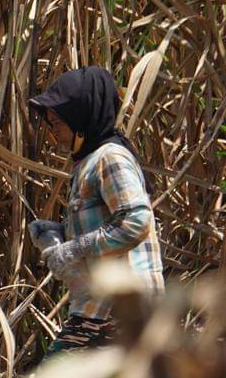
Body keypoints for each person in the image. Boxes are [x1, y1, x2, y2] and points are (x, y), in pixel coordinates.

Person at [27, 66, 164, 355]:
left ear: (81, 119)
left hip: (119, 307)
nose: (54, 133)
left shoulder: (109, 158)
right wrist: (58, 234)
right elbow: (107, 224)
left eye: (57, 123)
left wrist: (75, 248)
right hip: (103, 306)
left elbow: (137, 220)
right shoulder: (89, 161)